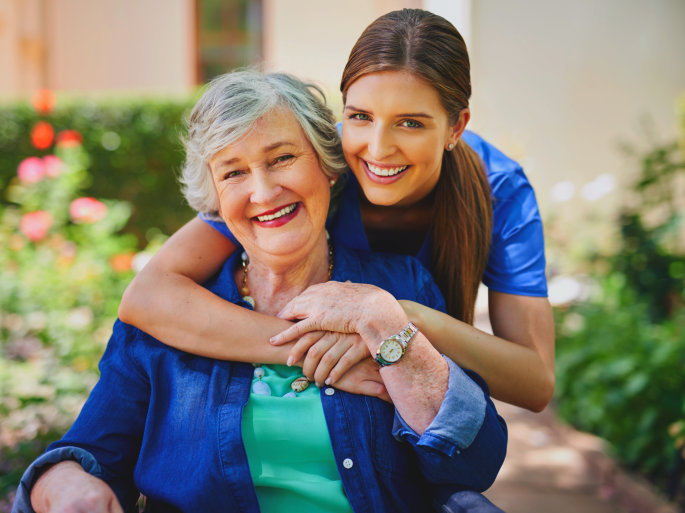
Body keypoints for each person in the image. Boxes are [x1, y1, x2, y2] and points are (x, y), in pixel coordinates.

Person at [13, 71, 506, 513]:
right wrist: (61, 479)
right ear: (214, 199)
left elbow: (472, 461)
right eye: (233, 173)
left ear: (327, 167)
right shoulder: (165, 323)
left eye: (282, 158)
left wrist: (385, 322)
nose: (264, 192)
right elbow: (92, 451)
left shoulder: (400, 287)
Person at [118, 8, 555, 413]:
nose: (378, 148)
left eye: (411, 123)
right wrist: (304, 349)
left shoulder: (500, 189)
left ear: (455, 126)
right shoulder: (311, 165)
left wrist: (397, 319)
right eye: (360, 116)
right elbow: (149, 297)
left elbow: (534, 383)